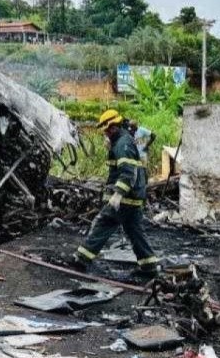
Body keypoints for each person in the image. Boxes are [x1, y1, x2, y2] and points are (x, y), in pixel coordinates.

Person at [67, 109, 159, 278]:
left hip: (124, 199)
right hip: (134, 198)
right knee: (135, 232)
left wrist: (117, 195)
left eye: (106, 131)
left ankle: (81, 260)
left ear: (113, 127)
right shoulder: (126, 140)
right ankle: (149, 267)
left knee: (104, 223)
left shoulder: (123, 144)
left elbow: (127, 172)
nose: (105, 134)